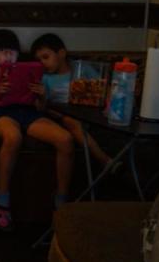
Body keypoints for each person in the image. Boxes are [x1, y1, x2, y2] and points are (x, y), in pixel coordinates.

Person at [0, 29, 74, 230]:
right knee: (13, 136)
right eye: (3, 52)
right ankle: (2, 198)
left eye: (12, 52)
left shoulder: (28, 68)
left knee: (66, 140)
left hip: (29, 113)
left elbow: (40, 108)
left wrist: (42, 95)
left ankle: (61, 199)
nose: (8, 56)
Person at [29, 33, 112, 168]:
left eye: (46, 57)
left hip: (88, 112)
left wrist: (108, 105)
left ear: (61, 53)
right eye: (39, 60)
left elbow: (103, 88)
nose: (42, 63)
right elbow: (43, 107)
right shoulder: (45, 78)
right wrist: (43, 97)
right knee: (69, 120)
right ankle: (106, 161)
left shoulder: (80, 69)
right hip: (62, 116)